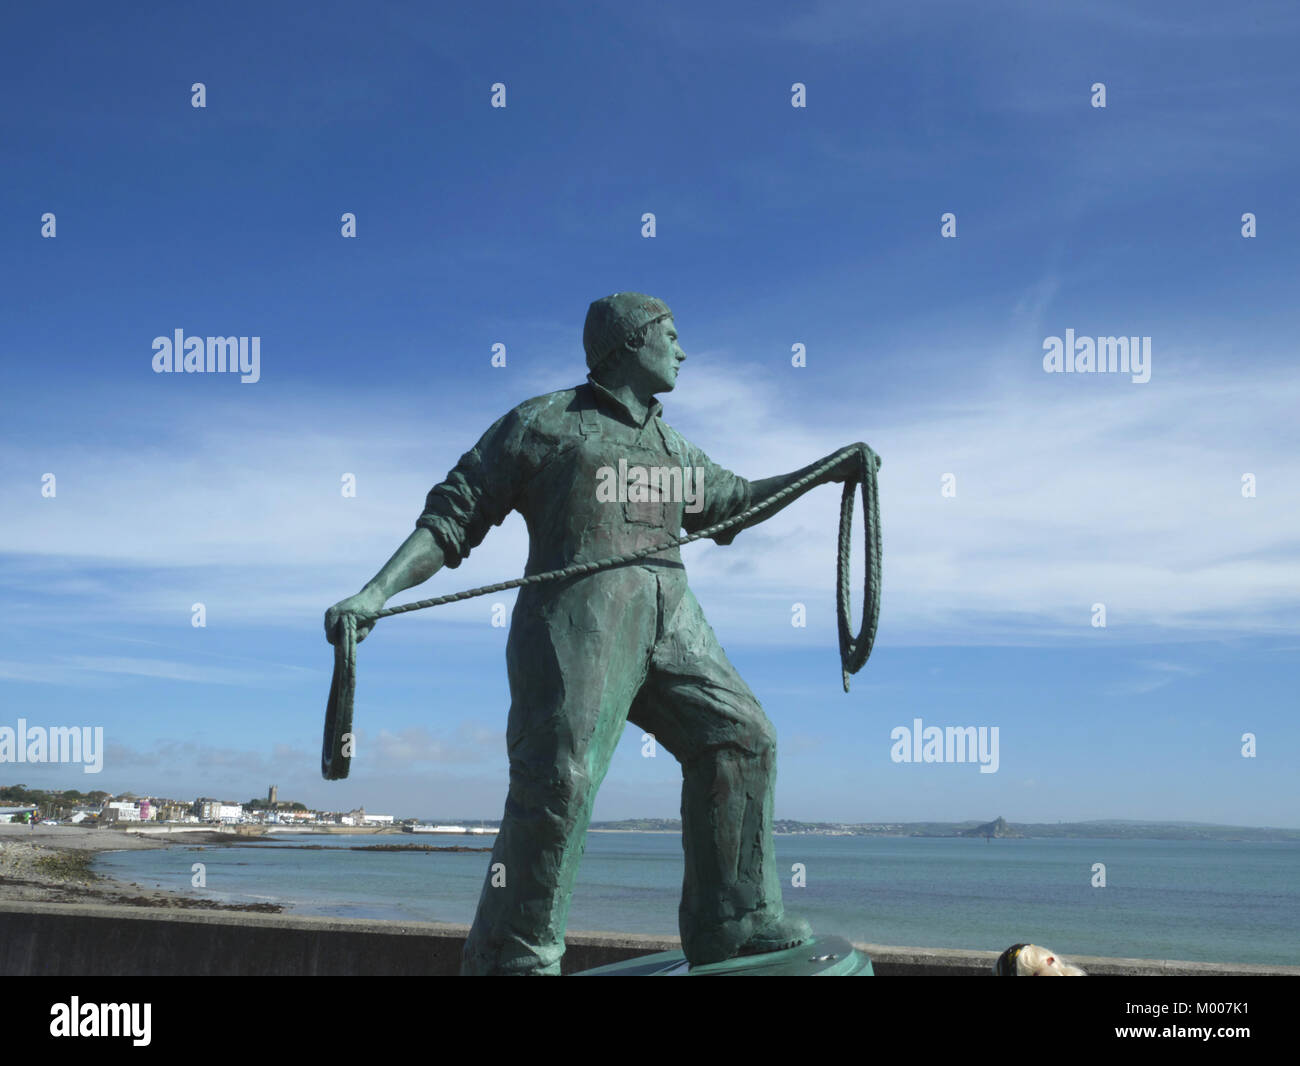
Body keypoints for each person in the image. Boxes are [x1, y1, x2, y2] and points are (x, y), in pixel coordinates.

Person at [326, 292, 867, 975]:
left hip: (674, 617)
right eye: (670, 334)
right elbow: (455, 514)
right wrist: (375, 593)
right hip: (574, 621)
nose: (683, 350)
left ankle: (732, 920)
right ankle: (518, 956)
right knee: (562, 780)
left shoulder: (673, 448)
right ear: (629, 342)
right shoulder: (545, 423)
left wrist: (828, 470)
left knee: (743, 738)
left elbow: (736, 502)